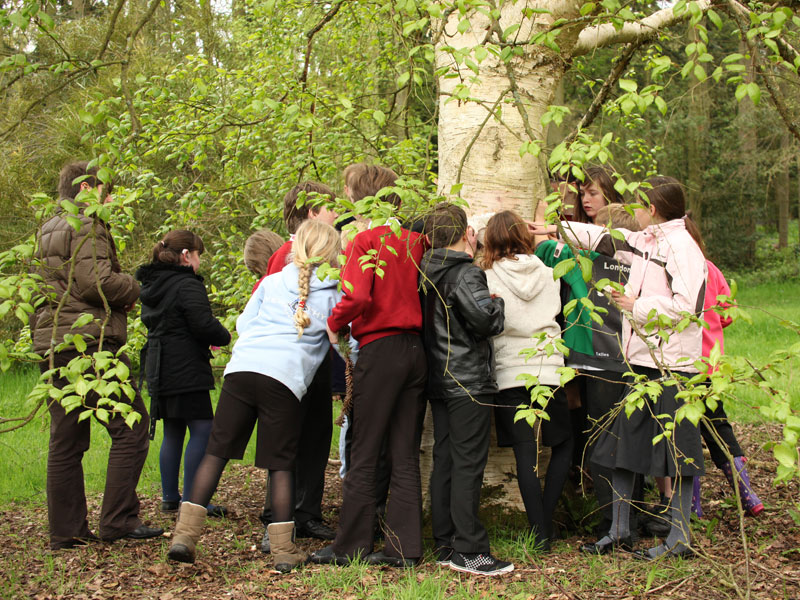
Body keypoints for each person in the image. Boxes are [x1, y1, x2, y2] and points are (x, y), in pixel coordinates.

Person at [539, 176, 707, 559]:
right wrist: (555, 228)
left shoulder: (681, 248)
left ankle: (680, 538)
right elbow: (603, 240)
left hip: (672, 366)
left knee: (674, 452)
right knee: (620, 446)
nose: (631, 210)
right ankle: (618, 531)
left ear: (651, 209)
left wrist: (636, 307)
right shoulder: (651, 240)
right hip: (641, 363)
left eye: (637, 204)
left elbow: (689, 309)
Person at [167, 219, 343, 571]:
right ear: (331, 254)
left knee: (215, 454)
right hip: (284, 379)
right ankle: (282, 552)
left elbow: (244, 325)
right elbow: (339, 343)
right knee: (280, 465)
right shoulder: (334, 292)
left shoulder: (270, 281)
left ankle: (184, 536)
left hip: (242, 371)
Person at [31, 160, 162, 549]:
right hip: (89, 345)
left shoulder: (47, 227)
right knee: (132, 427)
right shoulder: (86, 224)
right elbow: (97, 283)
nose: (109, 197)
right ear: (87, 188)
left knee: (66, 440)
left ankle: (66, 531)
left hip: (53, 342)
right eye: (105, 190)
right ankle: (118, 519)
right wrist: (134, 287)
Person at [310, 163, 427, 567]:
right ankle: (404, 548)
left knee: (363, 450)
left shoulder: (366, 241)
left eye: (346, 189)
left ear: (359, 195)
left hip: (380, 350)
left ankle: (351, 546)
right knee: (404, 452)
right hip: (415, 351)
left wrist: (333, 323)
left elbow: (358, 298)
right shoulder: (416, 240)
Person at [535, 203, 642, 537]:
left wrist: (542, 220)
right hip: (635, 360)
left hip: (596, 361)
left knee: (601, 442)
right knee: (631, 440)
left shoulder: (583, 260)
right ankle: (631, 515)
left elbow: (544, 251)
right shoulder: (643, 264)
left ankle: (612, 521)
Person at [420, 203, 510, 575]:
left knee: (446, 460)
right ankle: (470, 550)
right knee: (468, 464)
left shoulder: (424, 273)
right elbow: (486, 321)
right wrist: (498, 302)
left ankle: (444, 542)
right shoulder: (465, 275)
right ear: (466, 234)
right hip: (467, 380)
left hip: (440, 380)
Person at [483, 210, 571, 553]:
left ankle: (540, 531)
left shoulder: (486, 277)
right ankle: (545, 522)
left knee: (525, 454)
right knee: (562, 445)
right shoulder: (551, 273)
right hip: (549, 367)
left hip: (509, 372)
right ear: (524, 236)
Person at [258, 183, 339, 553]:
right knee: (287, 440)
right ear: (312, 213)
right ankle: (278, 517)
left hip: (318, 361)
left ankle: (308, 511)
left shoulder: (330, 256)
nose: (336, 215)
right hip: (286, 364)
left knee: (317, 435)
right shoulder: (283, 256)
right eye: (330, 209)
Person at [136, 230, 231, 518]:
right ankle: (193, 499)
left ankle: (169, 497)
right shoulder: (187, 283)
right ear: (186, 255)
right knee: (203, 429)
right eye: (199, 254)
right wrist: (224, 335)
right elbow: (202, 323)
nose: (200, 261)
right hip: (185, 365)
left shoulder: (153, 284)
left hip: (159, 364)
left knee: (174, 429)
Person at [694, 259, 763, 517]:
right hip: (711, 362)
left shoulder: (671, 263)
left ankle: (692, 506)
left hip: (683, 362)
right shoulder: (709, 267)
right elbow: (727, 313)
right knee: (718, 424)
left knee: (685, 431)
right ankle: (747, 493)